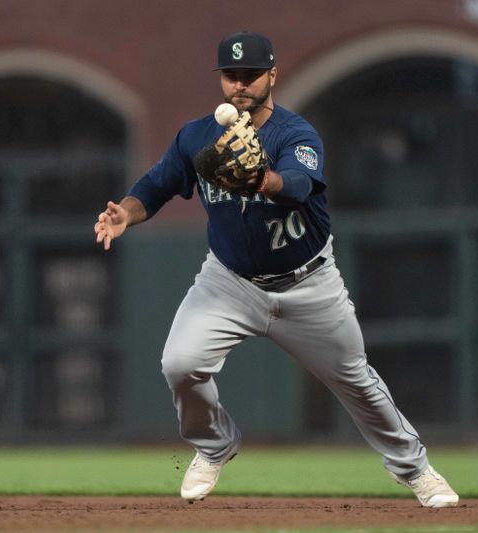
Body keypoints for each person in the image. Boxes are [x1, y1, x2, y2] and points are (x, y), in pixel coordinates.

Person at [94, 31, 459, 508]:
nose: (240, 85)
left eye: (250, 76)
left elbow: (299, 184)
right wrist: (126, 211)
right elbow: (156, 185)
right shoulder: (197, 136)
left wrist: (260, 178)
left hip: (308, 283)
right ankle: (215, 445)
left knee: (356, 382)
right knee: (180, 364)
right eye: (231, 76)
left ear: (272, 75)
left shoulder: (295, 133)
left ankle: (418, 471)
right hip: (228, 282)